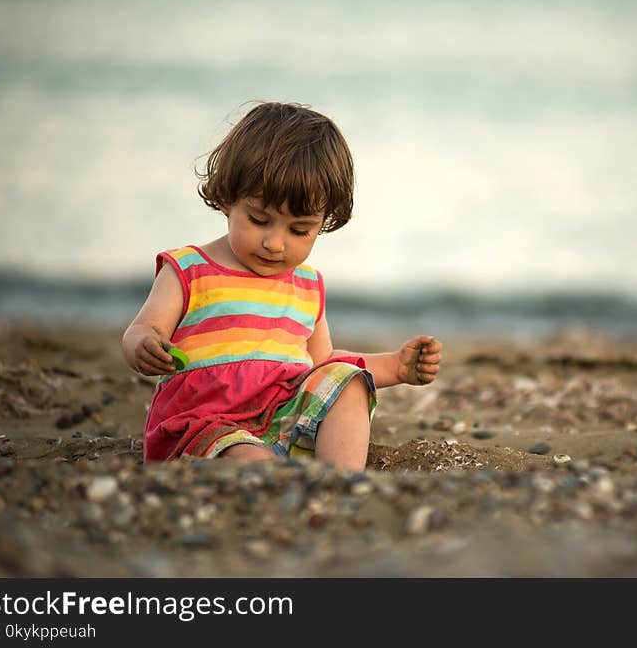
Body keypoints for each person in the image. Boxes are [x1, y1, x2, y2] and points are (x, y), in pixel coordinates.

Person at [121, 102, 443, 470]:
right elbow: (144, 329)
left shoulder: (307, 286)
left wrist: (396, 368)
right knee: (246, 454)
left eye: (299, 229)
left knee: (348, 381)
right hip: (205, 425)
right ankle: (275, 477)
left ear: (324, 222)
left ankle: (340, 480)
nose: (275, 243)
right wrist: (144, 344)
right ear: (228, 199)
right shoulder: (190, 270)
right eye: (260, 220)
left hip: (281, 423)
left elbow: (321, 363)